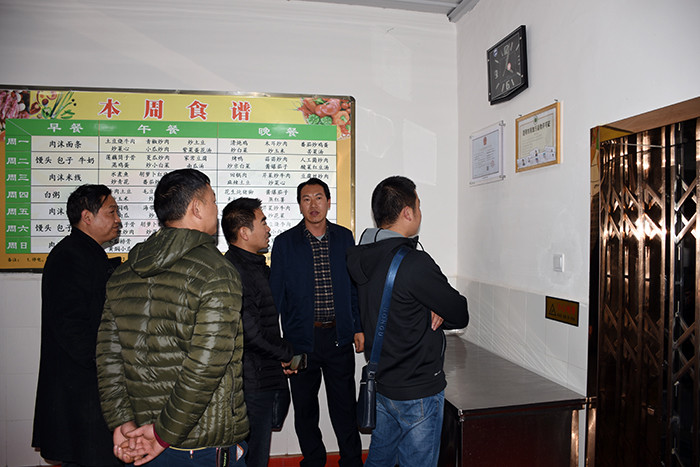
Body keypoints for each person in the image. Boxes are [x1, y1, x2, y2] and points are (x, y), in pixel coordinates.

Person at [95, 169, 249, 467]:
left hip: (141, 438)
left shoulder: (124, 273)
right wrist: (162, 433)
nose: (216, 209)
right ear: (197, 208)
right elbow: (205, 366)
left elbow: (108, 357)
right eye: (213, 201)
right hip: (201, 445)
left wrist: (122, 422)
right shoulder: (217, 271)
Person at [346, 175, 469, 467]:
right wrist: (434, 306)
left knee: (380, 459)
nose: (420, 213)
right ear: (407, 213)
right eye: (418, 206)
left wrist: (429, 305)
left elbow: (395, 306)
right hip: (417, 390)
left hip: (383, 382)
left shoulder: (362, 256)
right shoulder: (413, 263)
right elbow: (460, 313)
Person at [269, 177, 363, 467]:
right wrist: (278, 346)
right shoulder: (285, 243)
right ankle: (313, 460)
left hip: (338, 338)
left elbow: (354, 288)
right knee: (305, 408)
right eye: (306, 199)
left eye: (319, 198)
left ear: (328, 202)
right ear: (299, 205)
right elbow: (275, 298)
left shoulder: (344, 238)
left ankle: (352, 461)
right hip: (299, 343)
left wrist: (358, 327)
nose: (313, 205)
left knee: (344, 407)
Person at [32, 184, 122, 467]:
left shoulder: (88, 253)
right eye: (111, 212)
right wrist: (106, 365)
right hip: (80, 392)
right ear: (87, 217)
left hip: (89, 387)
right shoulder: (69, 256)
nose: (118, 219)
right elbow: (71, 327)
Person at [221, 198, 295, 467]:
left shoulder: (255, 267)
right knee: (252, 456)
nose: (268, 228)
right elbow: (250, 332)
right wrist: (286, 352)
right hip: (250, 384)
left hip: (262, 375)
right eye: (263, 222)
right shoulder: (236, 271)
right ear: (244, 232)